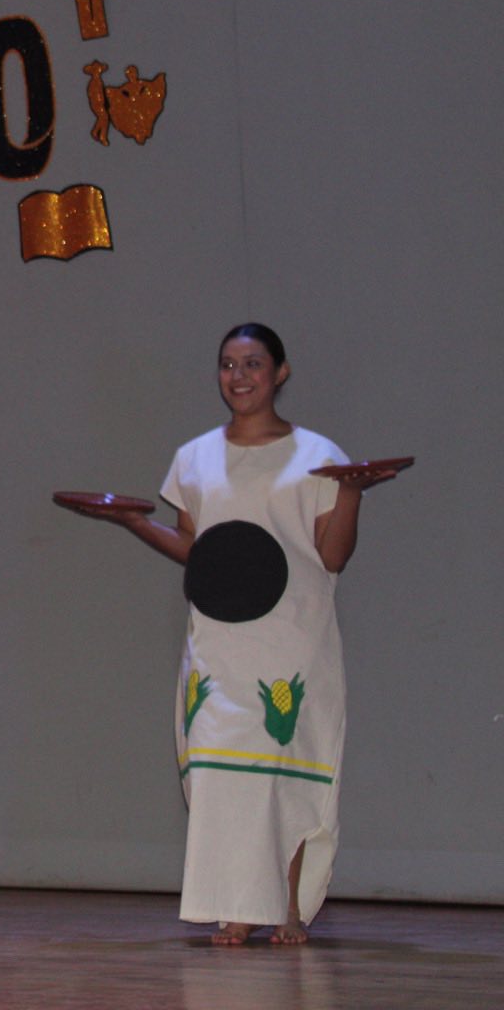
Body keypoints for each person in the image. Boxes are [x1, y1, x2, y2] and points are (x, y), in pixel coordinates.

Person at [69, 323, 401, 944]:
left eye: (252, 364)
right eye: (227, 364)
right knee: (221, 776)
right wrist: (133, 523)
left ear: (280, 372)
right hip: (219, 639)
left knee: (281, 772)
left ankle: (289, 907)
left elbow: (331, 556)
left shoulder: (317, 455)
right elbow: (197, 549)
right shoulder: (194, 457)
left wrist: (351, 494)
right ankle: (238, 905)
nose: (238, 376)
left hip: (290, 638)